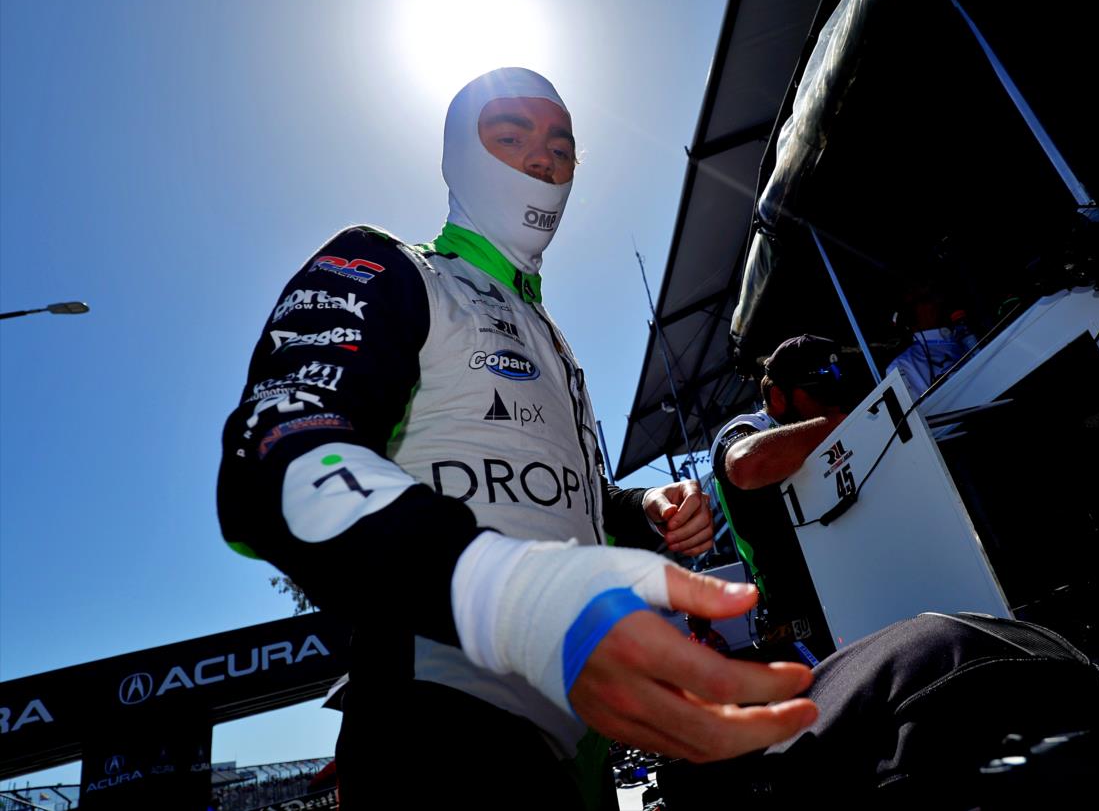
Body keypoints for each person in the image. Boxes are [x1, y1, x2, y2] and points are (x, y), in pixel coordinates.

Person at [216, 68, 817, 809]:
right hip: (439, 720)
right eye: (510, 136)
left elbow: (564, 500)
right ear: (458, 156)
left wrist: (644, 508)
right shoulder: (392, 270)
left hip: (582, 732)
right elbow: (276, 456)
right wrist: (504, 593)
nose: (543, 159)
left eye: (561, 149)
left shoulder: (551, 337)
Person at [711, 335, 855, 664]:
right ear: (778, 396)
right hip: (797, 624)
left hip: (848, 593)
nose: (833, 404)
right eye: (819, 392)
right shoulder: (749, 427)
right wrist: (836, 426)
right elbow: (744, 465)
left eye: (838, 391)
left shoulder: (824, 421)